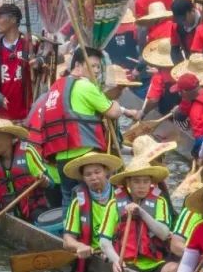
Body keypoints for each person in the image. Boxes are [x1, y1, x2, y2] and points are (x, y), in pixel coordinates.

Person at [33, 47, 141, 204]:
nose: (96, 70)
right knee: (93, 199)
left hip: (61, 157)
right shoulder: (85, 86)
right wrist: (119, 107)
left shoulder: (57, 86)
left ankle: (69, 221)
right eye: (92, 65)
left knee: (69, 200)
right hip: (84, 154)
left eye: (98, 66)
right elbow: (113, 112)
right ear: (78, 65)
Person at [0, 119, 53, 240]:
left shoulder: (28, 152)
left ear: (8, 139)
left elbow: (51, 184)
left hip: (33, 209)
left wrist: (45, 182)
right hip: (5, 212)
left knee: (41, 228)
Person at [99, 158, 172, 272]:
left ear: (150, 183)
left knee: (173, 271)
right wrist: (116, 260)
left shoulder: (160, 202)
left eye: (145, 181)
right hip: (126, 263)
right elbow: (104, 241)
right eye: (136, 182)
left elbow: (164, 234)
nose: (142, 186)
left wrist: (141, 212)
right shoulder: (114, 204)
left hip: (154, 262)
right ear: (128, 183)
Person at [61, 151, 123, 264]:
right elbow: (67, 240)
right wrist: (79, 246)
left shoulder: (123, 195)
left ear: (106, 172)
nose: (94, 177)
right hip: (97, 254)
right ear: (83, 178)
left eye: (97, 172)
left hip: (123, 250)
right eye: (88, 174)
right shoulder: (78, 202)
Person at [0, 3, 36, 120]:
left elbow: (52, 54)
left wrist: (39, 60)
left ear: (13, 20)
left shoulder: (31, 43)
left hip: (26, 116)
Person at [137, 38, 178, 116]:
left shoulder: (158, 76)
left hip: (168, 113)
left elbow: (153, 100)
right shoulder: (183, 67)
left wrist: (144, 112)